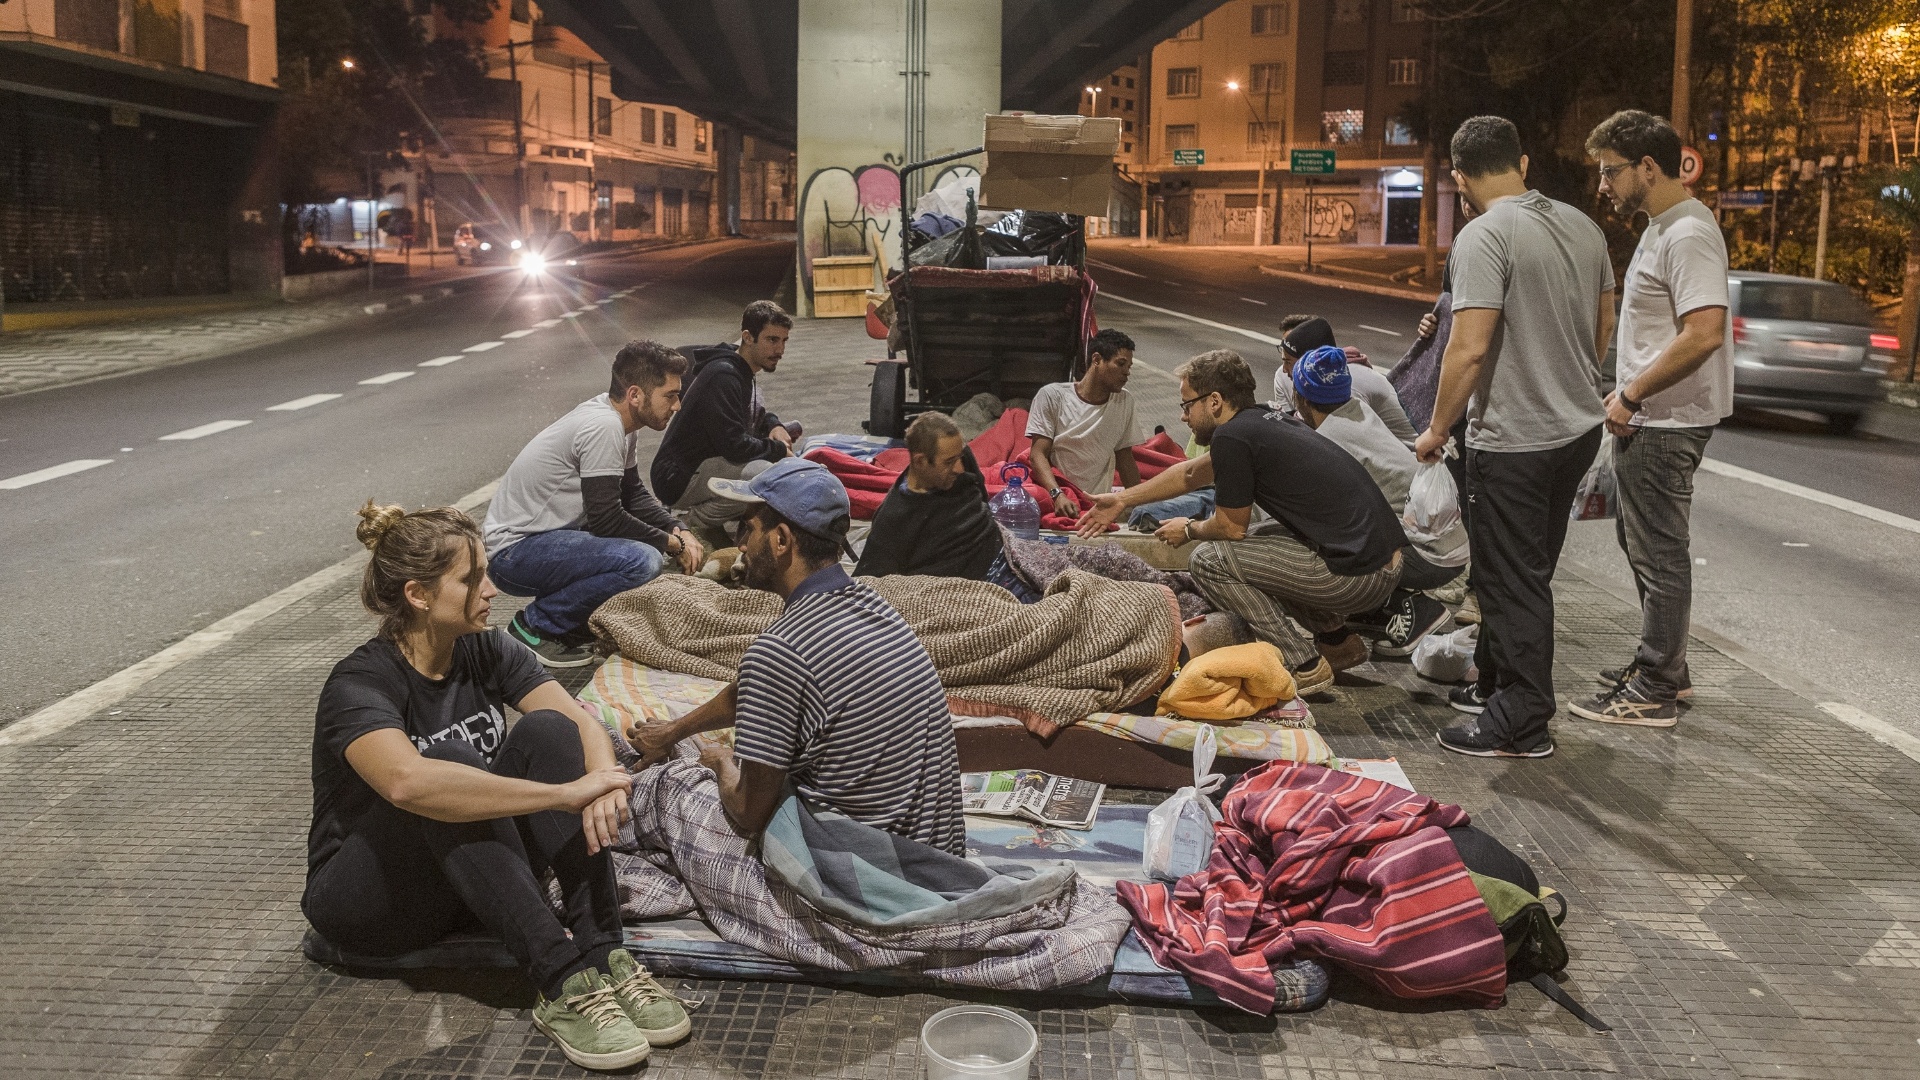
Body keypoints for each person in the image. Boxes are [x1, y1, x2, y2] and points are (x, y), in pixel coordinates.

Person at [305, 504, 689, 1071]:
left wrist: (603, 780)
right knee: (450, 763)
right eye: (471, 578)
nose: (490, 589)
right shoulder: (360, 682)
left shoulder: (483, 648)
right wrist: (562, 796)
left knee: (549, 731)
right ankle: (561, 982)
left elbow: (579, 721)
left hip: (467, 875)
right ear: (418, 594)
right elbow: (409, 785)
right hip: (371, 900)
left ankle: (604, 952)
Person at [626, 458, 966, 855]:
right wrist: (673, 731)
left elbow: (750, 813)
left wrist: (721, 763)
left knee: (660, 791)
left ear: (782, 540)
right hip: (932, 854)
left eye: (747, 529)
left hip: (868, 872)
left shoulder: (779, 651)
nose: (739, 544)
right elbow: (751, 693)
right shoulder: (875, 607)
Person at [1078, 351, 1458, 696]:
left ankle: (1303, 664)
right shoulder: (1260, 422)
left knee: (1210, 559)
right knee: (1259, 540)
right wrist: (1123, 500)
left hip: (1360, 578)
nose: (1182, 415)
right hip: (1382, 565)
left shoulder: (1233, 436)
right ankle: (1338, 641)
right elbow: (1193, 473)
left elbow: (1230, 527)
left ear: (1214, 401)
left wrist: (1189, 530)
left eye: (1187, 404)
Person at [1413, 115, 1614, 759]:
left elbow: (1467, 349)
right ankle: (1493, 685)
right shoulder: (1583, 225)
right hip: (1575, 430)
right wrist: (1567, 375)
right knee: (1527, 569)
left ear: (1460, 175)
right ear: (1523, 163)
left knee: (1510, 581)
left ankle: (1520, 723)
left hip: (1515, 438)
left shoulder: (1483, 235)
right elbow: (1603, 321)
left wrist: (1437, 429)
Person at [1571, 109, 1730, 727]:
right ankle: (1665, 666)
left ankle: (1656, 687)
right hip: (1648, 419)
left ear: (1649, 167)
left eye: (1611, 172)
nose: (1603, 185)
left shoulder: (1687, 232)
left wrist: (1631, 395)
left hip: (1663, 421)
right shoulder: (1663, 226)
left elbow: (1704, 333)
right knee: (1640, 545)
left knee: (1659, 552)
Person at [484, 341, 703, 668]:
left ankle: (567, 627)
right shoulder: (604, 427)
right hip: (514, 552)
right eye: (669, 396)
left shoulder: (621, 424)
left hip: (546, 540)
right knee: (642, 560)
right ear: (635, 395)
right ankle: (535, 626)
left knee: (638, 549)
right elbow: (606, 520)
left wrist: (678, 527)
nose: (677, 406)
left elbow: (632, 494)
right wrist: (671, 544)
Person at [1289, 346, 1459, 655]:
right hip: (1449, 545)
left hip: (1426, 556)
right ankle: (1377, 609)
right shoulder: (1357, 408)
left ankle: (1416, 608)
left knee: (1314, 539)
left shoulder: (1327, 440)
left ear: (1302, 397)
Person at [650, 300, 799, 549]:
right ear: (748, 337)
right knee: (763, 476)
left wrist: (774, 425)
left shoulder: (740, 368)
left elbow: (756, 412)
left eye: (784, 341)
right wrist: (778, 451)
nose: (780, 350)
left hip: (702, 465)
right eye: (772, 340)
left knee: (776, 465)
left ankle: (720, 524)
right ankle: (692, 523)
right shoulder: (724, 375)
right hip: (676, 477)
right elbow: (734, 446)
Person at [853, 412, 1040, 600]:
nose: (959, 468)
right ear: (920, 461)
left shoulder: (960, 459)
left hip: (1004, 556)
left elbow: (981, 493)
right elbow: (871, 586)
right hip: (966, 594)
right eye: (949, 462)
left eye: (959, 456)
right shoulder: (893, 518)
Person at [1027, 328, 1146, 513]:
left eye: (1129, 367)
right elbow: (1037, 454)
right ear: (1097, 359)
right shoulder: (1052, 396)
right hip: (1058, 499)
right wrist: (1057, 494)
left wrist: (1141, 504)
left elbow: (1125, 458)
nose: (1126, 373)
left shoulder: (1124, 401)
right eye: (1120, 364)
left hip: (1096, 505)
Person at [1272, 316, 1418, 447]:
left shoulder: (1344, 383)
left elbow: (1340, 439)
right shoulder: (1332, 376)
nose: (1284, 370)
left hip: (1414, 457)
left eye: (1288, 362)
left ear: (1309, 362)